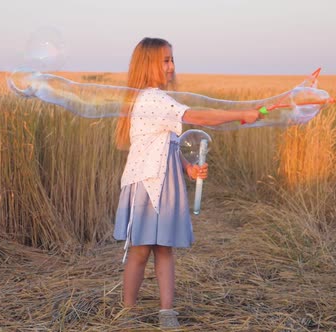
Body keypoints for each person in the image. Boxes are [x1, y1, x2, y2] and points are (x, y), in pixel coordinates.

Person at [113, 37, 262, 329]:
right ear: (147, 65)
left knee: (165, 247)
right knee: (141, 249)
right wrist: (241, 114)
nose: (171, 66)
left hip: (165, 183)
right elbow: (196, 116)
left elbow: (167, 143)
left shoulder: (156, 98)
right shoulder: (152, 98)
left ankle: (167, 312)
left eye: (172, 60)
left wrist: (188, 169)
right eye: (165, 61)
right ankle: (127, 312)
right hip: (147, 185)